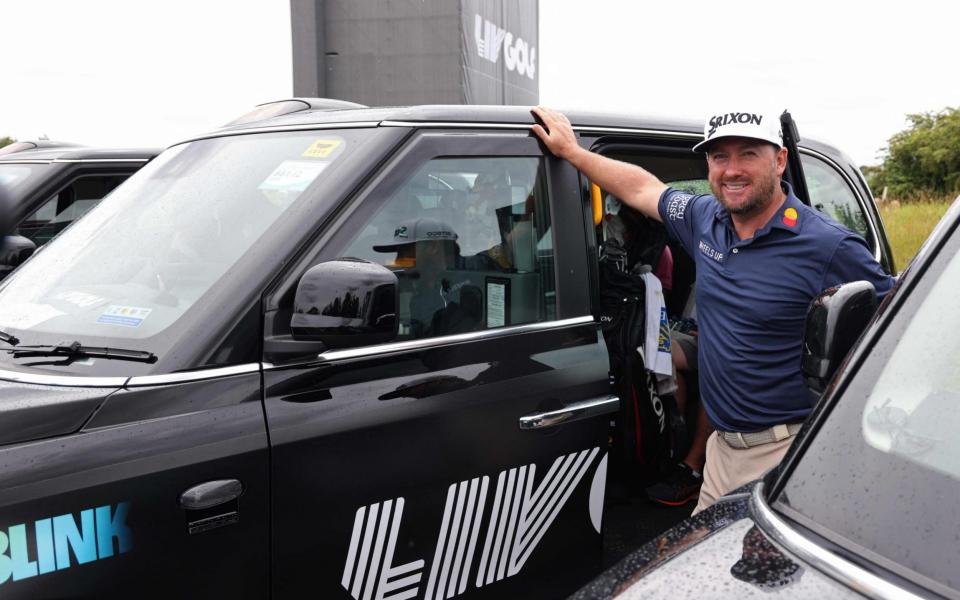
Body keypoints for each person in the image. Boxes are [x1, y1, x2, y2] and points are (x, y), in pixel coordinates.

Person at [532, 106, 895, 514]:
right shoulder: (706, 218)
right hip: (721, 452)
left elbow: (897, 326)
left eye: (748, 154)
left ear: (779, 161)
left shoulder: (828, 246)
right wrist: (574, 154)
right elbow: (641, 189)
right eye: (720, 156)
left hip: (783, 455)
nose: (732, 169)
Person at [373, 216, 494, 338]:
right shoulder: (418, 302)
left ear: (433, 247)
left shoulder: (479, 268)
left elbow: (510, 243)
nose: (398, 260)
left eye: (405, 251)